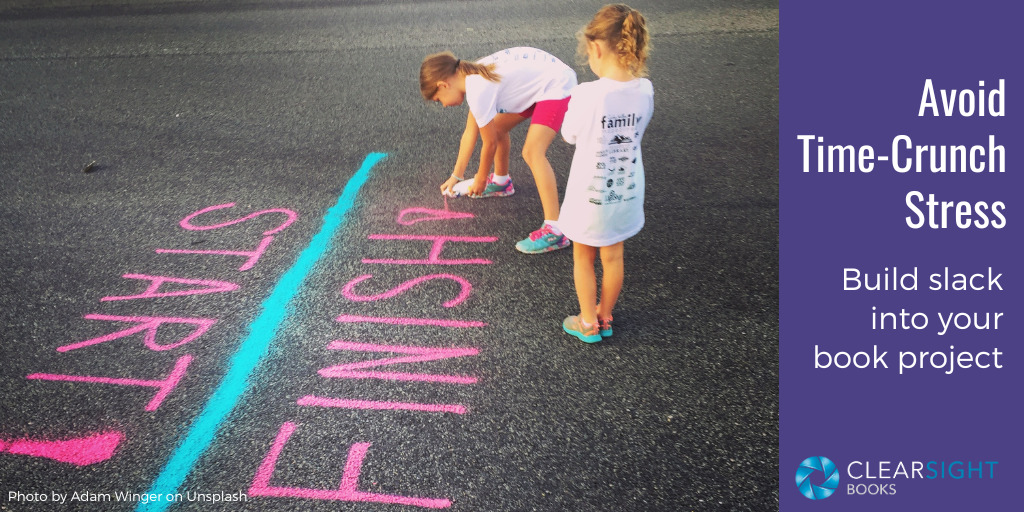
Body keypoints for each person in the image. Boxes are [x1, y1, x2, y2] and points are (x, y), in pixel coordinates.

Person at [420, 47, 578, 254]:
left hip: (556, 85)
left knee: (532, 152)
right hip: (538, 83)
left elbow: (490, 143)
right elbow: (470, 133)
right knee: (499, 126)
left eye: (438, 99)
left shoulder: (477, 88)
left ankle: (555, 230)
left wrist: (480, 179)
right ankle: (502, 182)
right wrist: (455, 176)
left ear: (443, 85)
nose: (442, 105)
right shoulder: (471, 76)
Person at [559, 4, 653, 342]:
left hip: (591, 194)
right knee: (613, 257)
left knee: (583, 256)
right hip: (626, 190)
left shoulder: (587, 94)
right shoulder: (645, 89)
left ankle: (587, 323)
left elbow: (569, 134)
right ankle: (605, 315)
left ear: (596, 48)